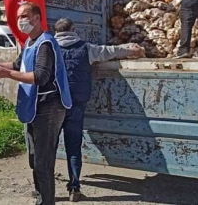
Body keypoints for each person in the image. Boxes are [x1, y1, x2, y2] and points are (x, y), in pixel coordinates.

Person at [53, 18, 144, 202]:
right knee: (73, 148)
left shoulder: (48, 48)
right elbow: (109, 51)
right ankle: (74, 188)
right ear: (73, 29)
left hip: (53, 106)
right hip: (76, 106)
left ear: (56, 31)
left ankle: (47, 190)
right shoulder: (86, 48)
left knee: (49, 149)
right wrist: (130, 49)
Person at [0, 3, 72, 205]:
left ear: (37, 18)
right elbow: (19, 65)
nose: (20, 20)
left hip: (48, 107)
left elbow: (41, 76)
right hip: (34, 107)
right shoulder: (30, 42)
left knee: (43, 162)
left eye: (25, 16)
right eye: (19, 16)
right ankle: (41, 197)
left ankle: (47, 201)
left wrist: (7, 74)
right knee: (34, 159)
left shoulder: (45, 43)